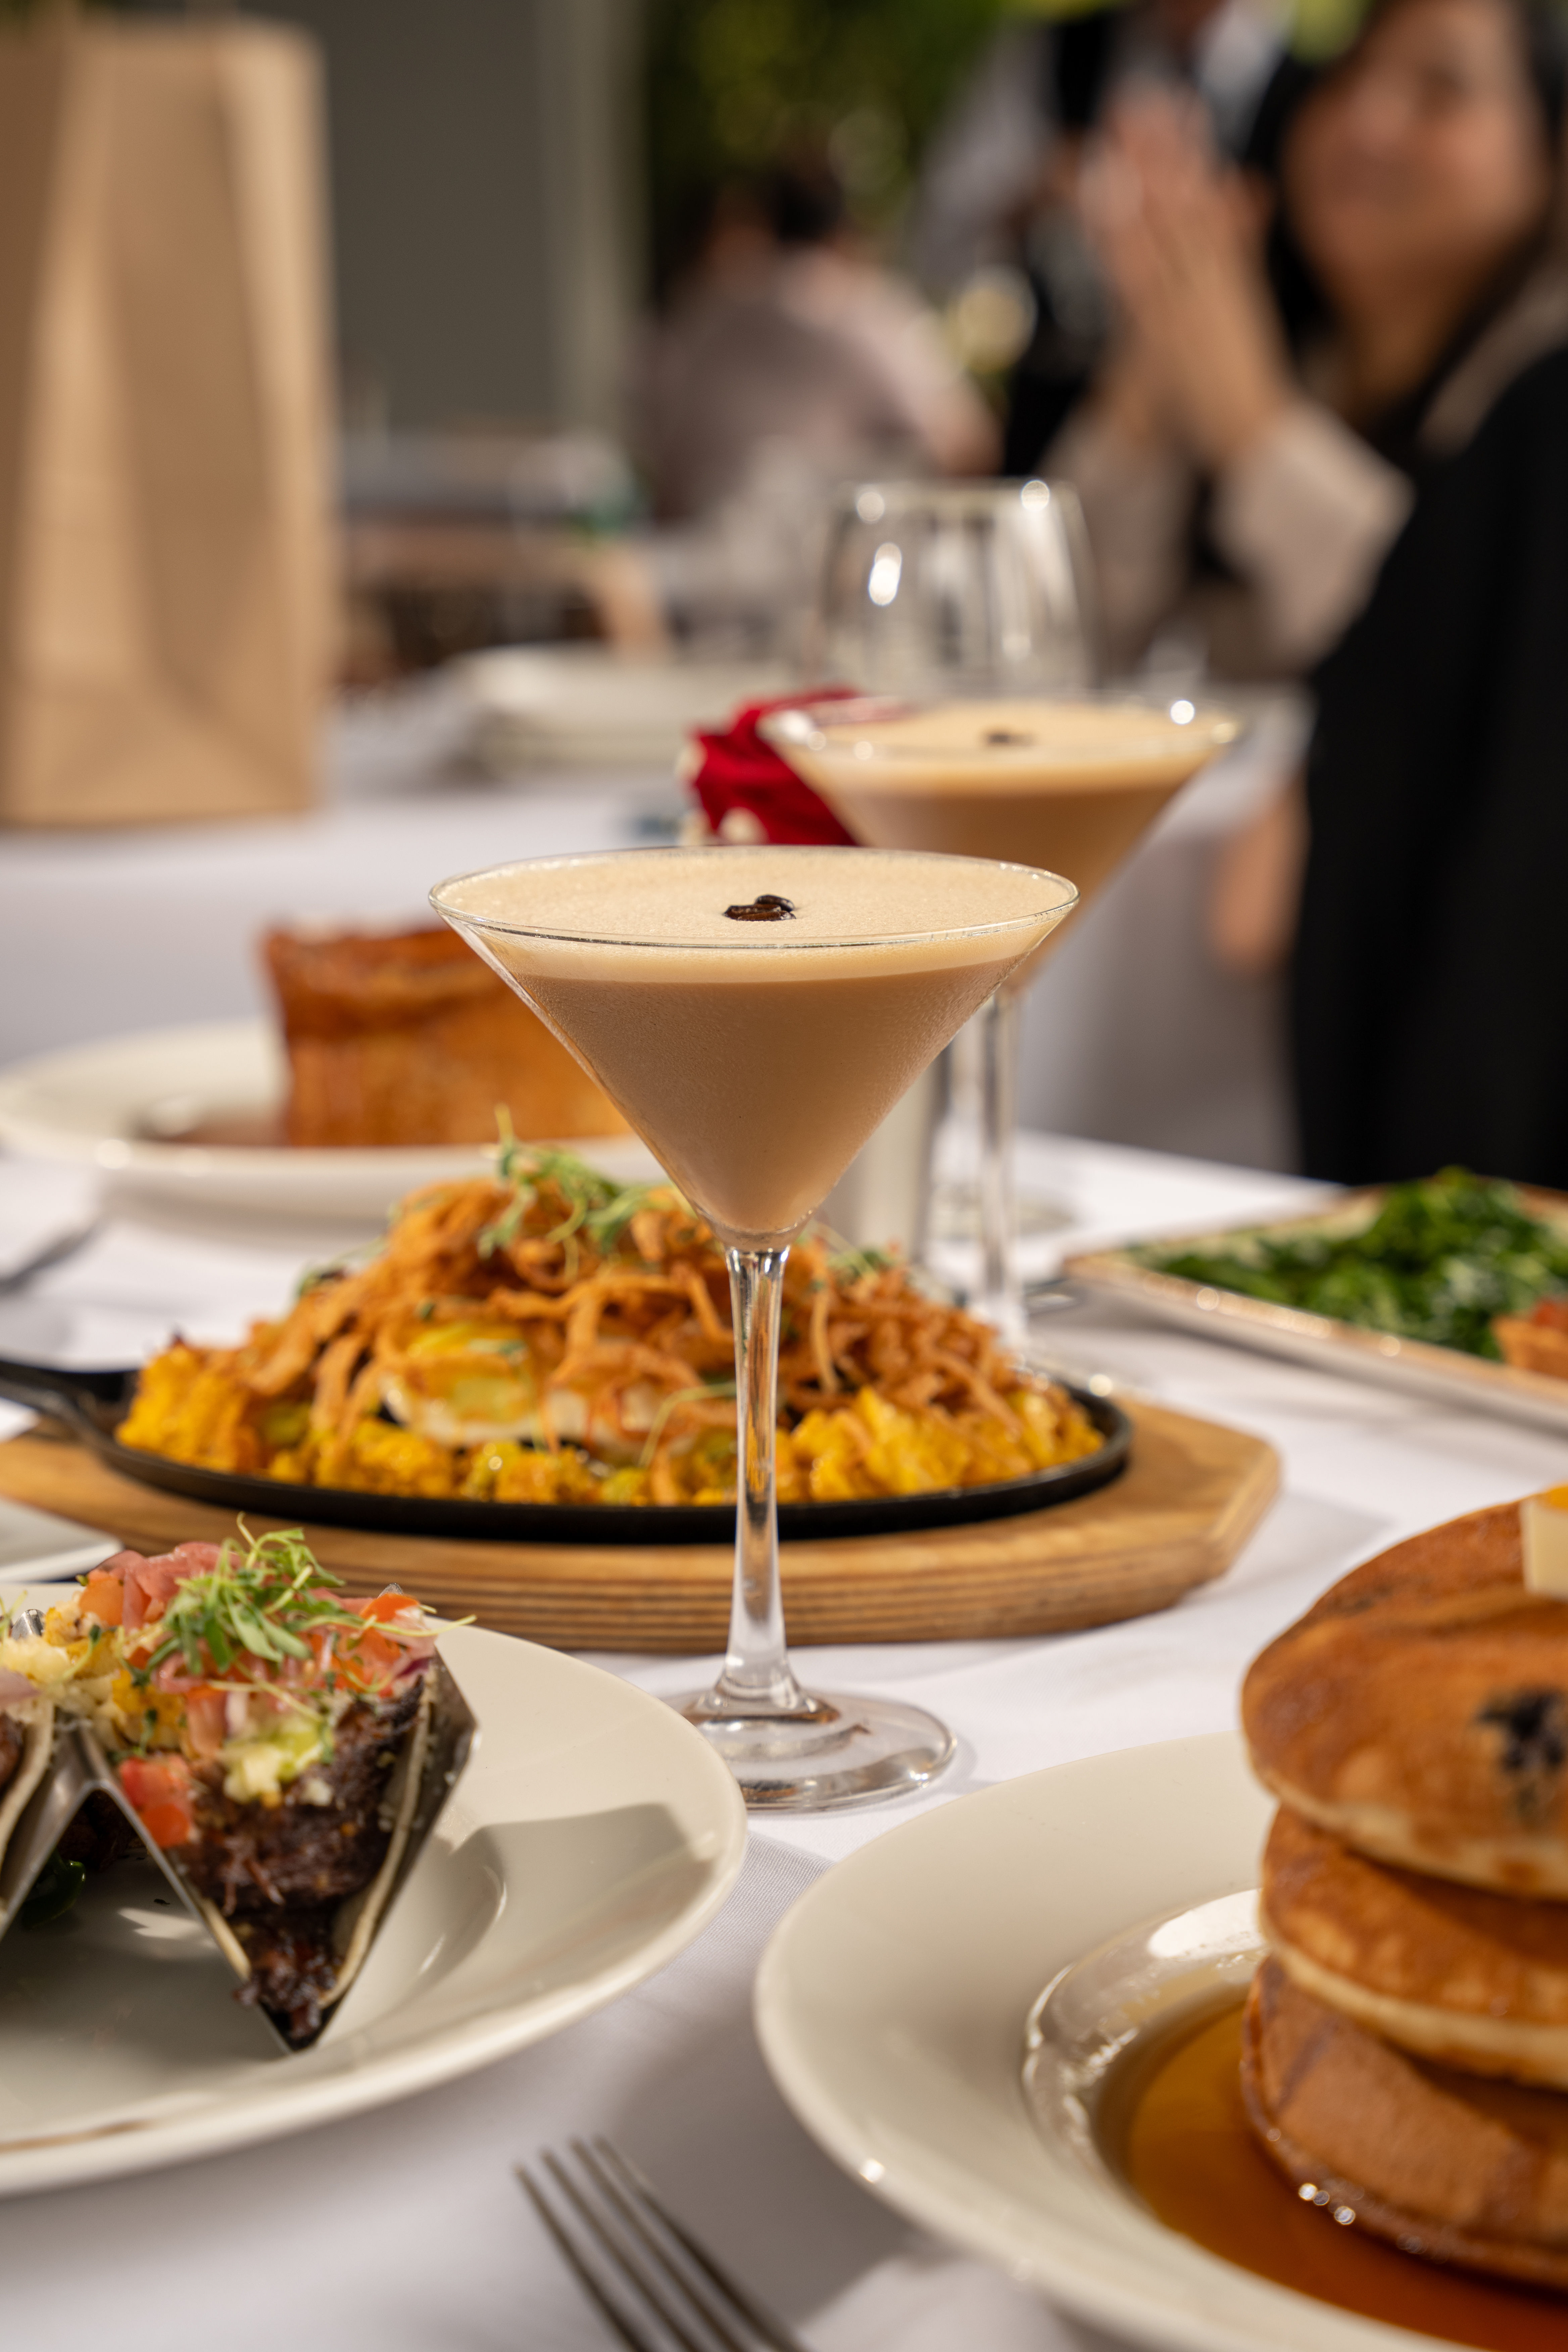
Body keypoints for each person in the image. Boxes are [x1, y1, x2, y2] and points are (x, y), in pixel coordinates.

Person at [1069, 0, 1568, 1182]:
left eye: (1441, 92)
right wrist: (1155, 369)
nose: (1371, 125)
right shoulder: (1285, 343)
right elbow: (1058, 628)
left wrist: (1249, 424)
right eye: (1352, 81)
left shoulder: (1541, 396)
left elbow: (1453, 660)